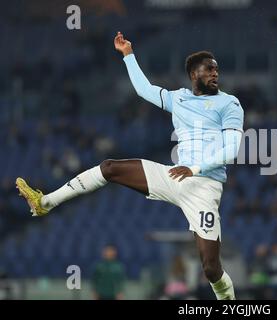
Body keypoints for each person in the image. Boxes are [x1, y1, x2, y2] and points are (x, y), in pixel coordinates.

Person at [16, 31, 243, 300]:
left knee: (210, 268)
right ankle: (45, 203)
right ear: (194, 74)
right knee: (110, 167)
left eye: (217, 70)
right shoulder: (179, 98)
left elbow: (232, 150)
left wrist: (194, 169)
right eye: (209, 69)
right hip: (175, 177)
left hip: (204, 186)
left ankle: (229, 303)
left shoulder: (229, 103)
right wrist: (128, 55)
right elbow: (144, 90)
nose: (215, 74)